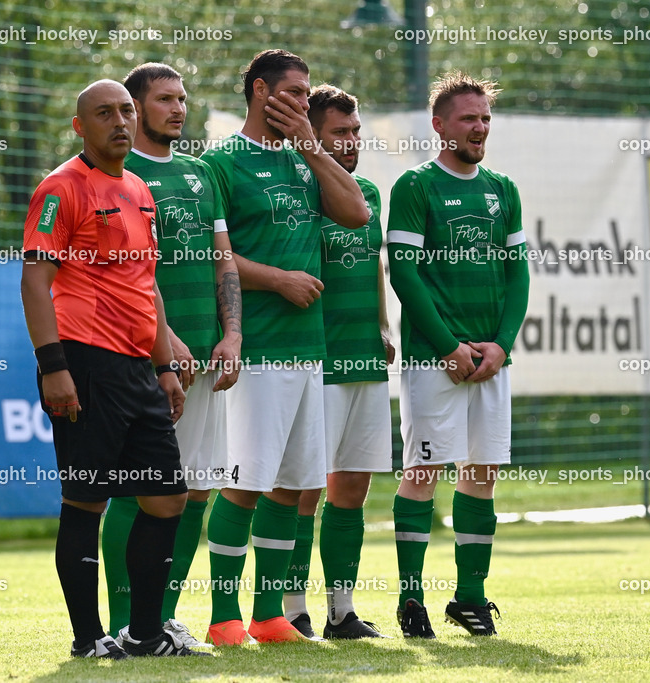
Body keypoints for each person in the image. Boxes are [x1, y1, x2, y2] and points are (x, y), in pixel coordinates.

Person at [20, 79, 210, 658]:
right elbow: (35, 280)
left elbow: (144, 286)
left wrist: (165, 367)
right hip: (82, 361)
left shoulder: (139, 190)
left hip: (137, 369)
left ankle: (146, 635)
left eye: (126, 111)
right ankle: (88, 641)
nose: (120, 121)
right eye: (104, 113)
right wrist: (54, 368)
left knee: (166, 498)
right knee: (86, 500)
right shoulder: (60, 187)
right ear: (81, 125)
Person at [200, 49, 370, 646]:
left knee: (295, 485)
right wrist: (278, 279)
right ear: (259, 91)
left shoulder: (307, 160)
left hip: (310, 350)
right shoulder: (220, 162)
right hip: (259, 348)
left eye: (305, 95)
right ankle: (223, 616)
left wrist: (312, 145)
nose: (304, 103)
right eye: (294, 93)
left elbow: (356, 213)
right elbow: (211, 256)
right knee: (245, 480)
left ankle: (270, 616)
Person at [101, 62, 242, 650]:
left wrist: (231, 334)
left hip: (206, 360)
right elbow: (126, 272)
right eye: (163, 99)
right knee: (139, 489)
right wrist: (168, 340)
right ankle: (121, 623)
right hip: (141, 358)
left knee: (194, 493)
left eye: (182, 98)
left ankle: (161, 618)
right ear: (133, 109)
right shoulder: (117, 174)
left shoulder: (201, 173)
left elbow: (223, 260)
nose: (178, 109)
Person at [386, 71, 529, 637]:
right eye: (469, 118)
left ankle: (470, 597)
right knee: (423, 471)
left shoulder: (504, 188)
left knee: (483, 472)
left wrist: (501, 346)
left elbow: (518, 276)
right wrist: (448, 346)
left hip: (491, 361)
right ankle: (411, 598)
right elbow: (404, 273)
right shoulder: (414, 186)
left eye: (486, 118)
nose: (480, 127)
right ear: (440, 125)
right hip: (433, 360)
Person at [282, 84, 394, 640]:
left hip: (365, 363)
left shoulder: (365, 191)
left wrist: (382, 328)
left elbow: (373, 268)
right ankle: (291, 606)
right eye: (338, 134)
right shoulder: (300, 191)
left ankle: (342, 611)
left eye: (354, 132)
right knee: (305, 488)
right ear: (312, 135)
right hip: (315, 364)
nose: (350, 142)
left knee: (351, 490)